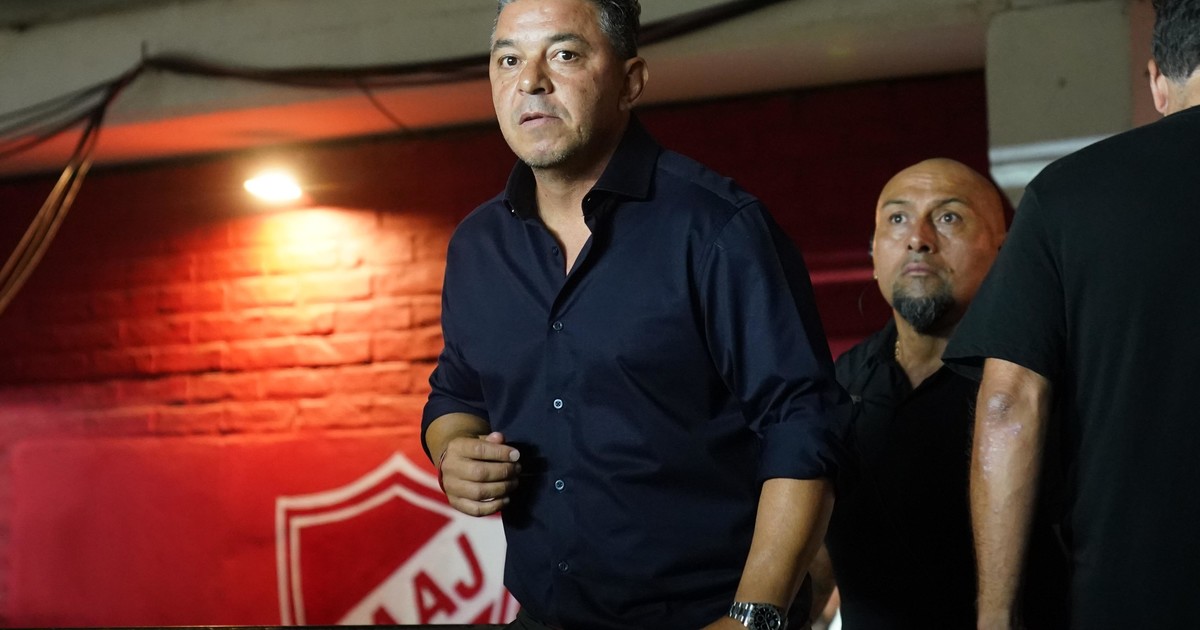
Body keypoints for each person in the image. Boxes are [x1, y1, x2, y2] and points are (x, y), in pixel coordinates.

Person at [420, 0, 851, 628]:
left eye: (564, 55)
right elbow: (456, 395)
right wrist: (453, 451)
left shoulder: (716, 228)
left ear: (631, 81)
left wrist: (753, 616)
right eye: (508, 60)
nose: (530, 81)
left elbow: (803, 427)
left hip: (705, 615)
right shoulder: (476, 247)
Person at [942, 1, 1200, 627]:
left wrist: (996, 618)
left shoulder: (1067, 194)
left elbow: (1009, 404)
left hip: (1131, 596)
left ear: (1157, 80)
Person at [812, 159, 1068, 628]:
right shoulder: (840, 384)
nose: (918, 238)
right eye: (897, 218)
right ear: (873, 253)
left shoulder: (1044, 384)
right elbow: (819, 551)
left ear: (1005, 251)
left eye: (948, 216)